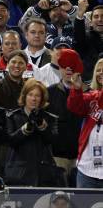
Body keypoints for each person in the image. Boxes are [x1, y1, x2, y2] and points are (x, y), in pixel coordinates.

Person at [5, 78, 61, 186]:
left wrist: (42, 126)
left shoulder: (50, 118)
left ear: (42, 99)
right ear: (24, 96)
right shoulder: (12, 116)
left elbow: (53, 140)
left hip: (43, 174)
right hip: (18, 174)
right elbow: (10, 141)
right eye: (30, 95)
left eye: (37, 95)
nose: (33, 99)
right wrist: (25, 129)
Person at [47, 48, 84, 185]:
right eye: (65, 65)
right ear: (59, 67)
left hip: (82, 160)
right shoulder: (49, 93)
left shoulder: (89, 94)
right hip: (56, 158)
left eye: (72, 64)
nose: (68, 69)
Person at [66, 56, 103, 188]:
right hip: (87, 168)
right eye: (98, 70)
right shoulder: (92, 97)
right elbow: (74, 106)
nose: (101, 73)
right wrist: (76, 89)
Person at [74, 2, 102, 82]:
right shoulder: (85, 39)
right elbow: (78, 39)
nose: (100, 19)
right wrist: (80, 14)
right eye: (96, 17)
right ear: (91, 22)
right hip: (89, 84)